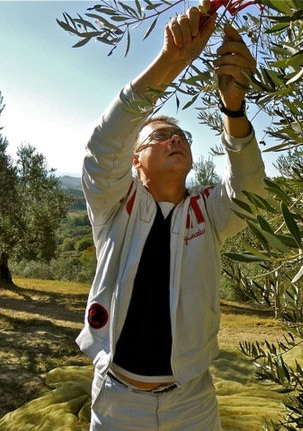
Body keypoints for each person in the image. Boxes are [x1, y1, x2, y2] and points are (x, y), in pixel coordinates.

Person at [77, 2, 266, 430]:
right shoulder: (114, 206)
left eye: (181, 136)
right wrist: (172, 61)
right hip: (116, 403)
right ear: (136, 161)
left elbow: (250, 192)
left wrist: (233, 110)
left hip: (192, 403)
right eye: (160, 136)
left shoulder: (207, 212)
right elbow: (104, 145)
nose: (175, 140)